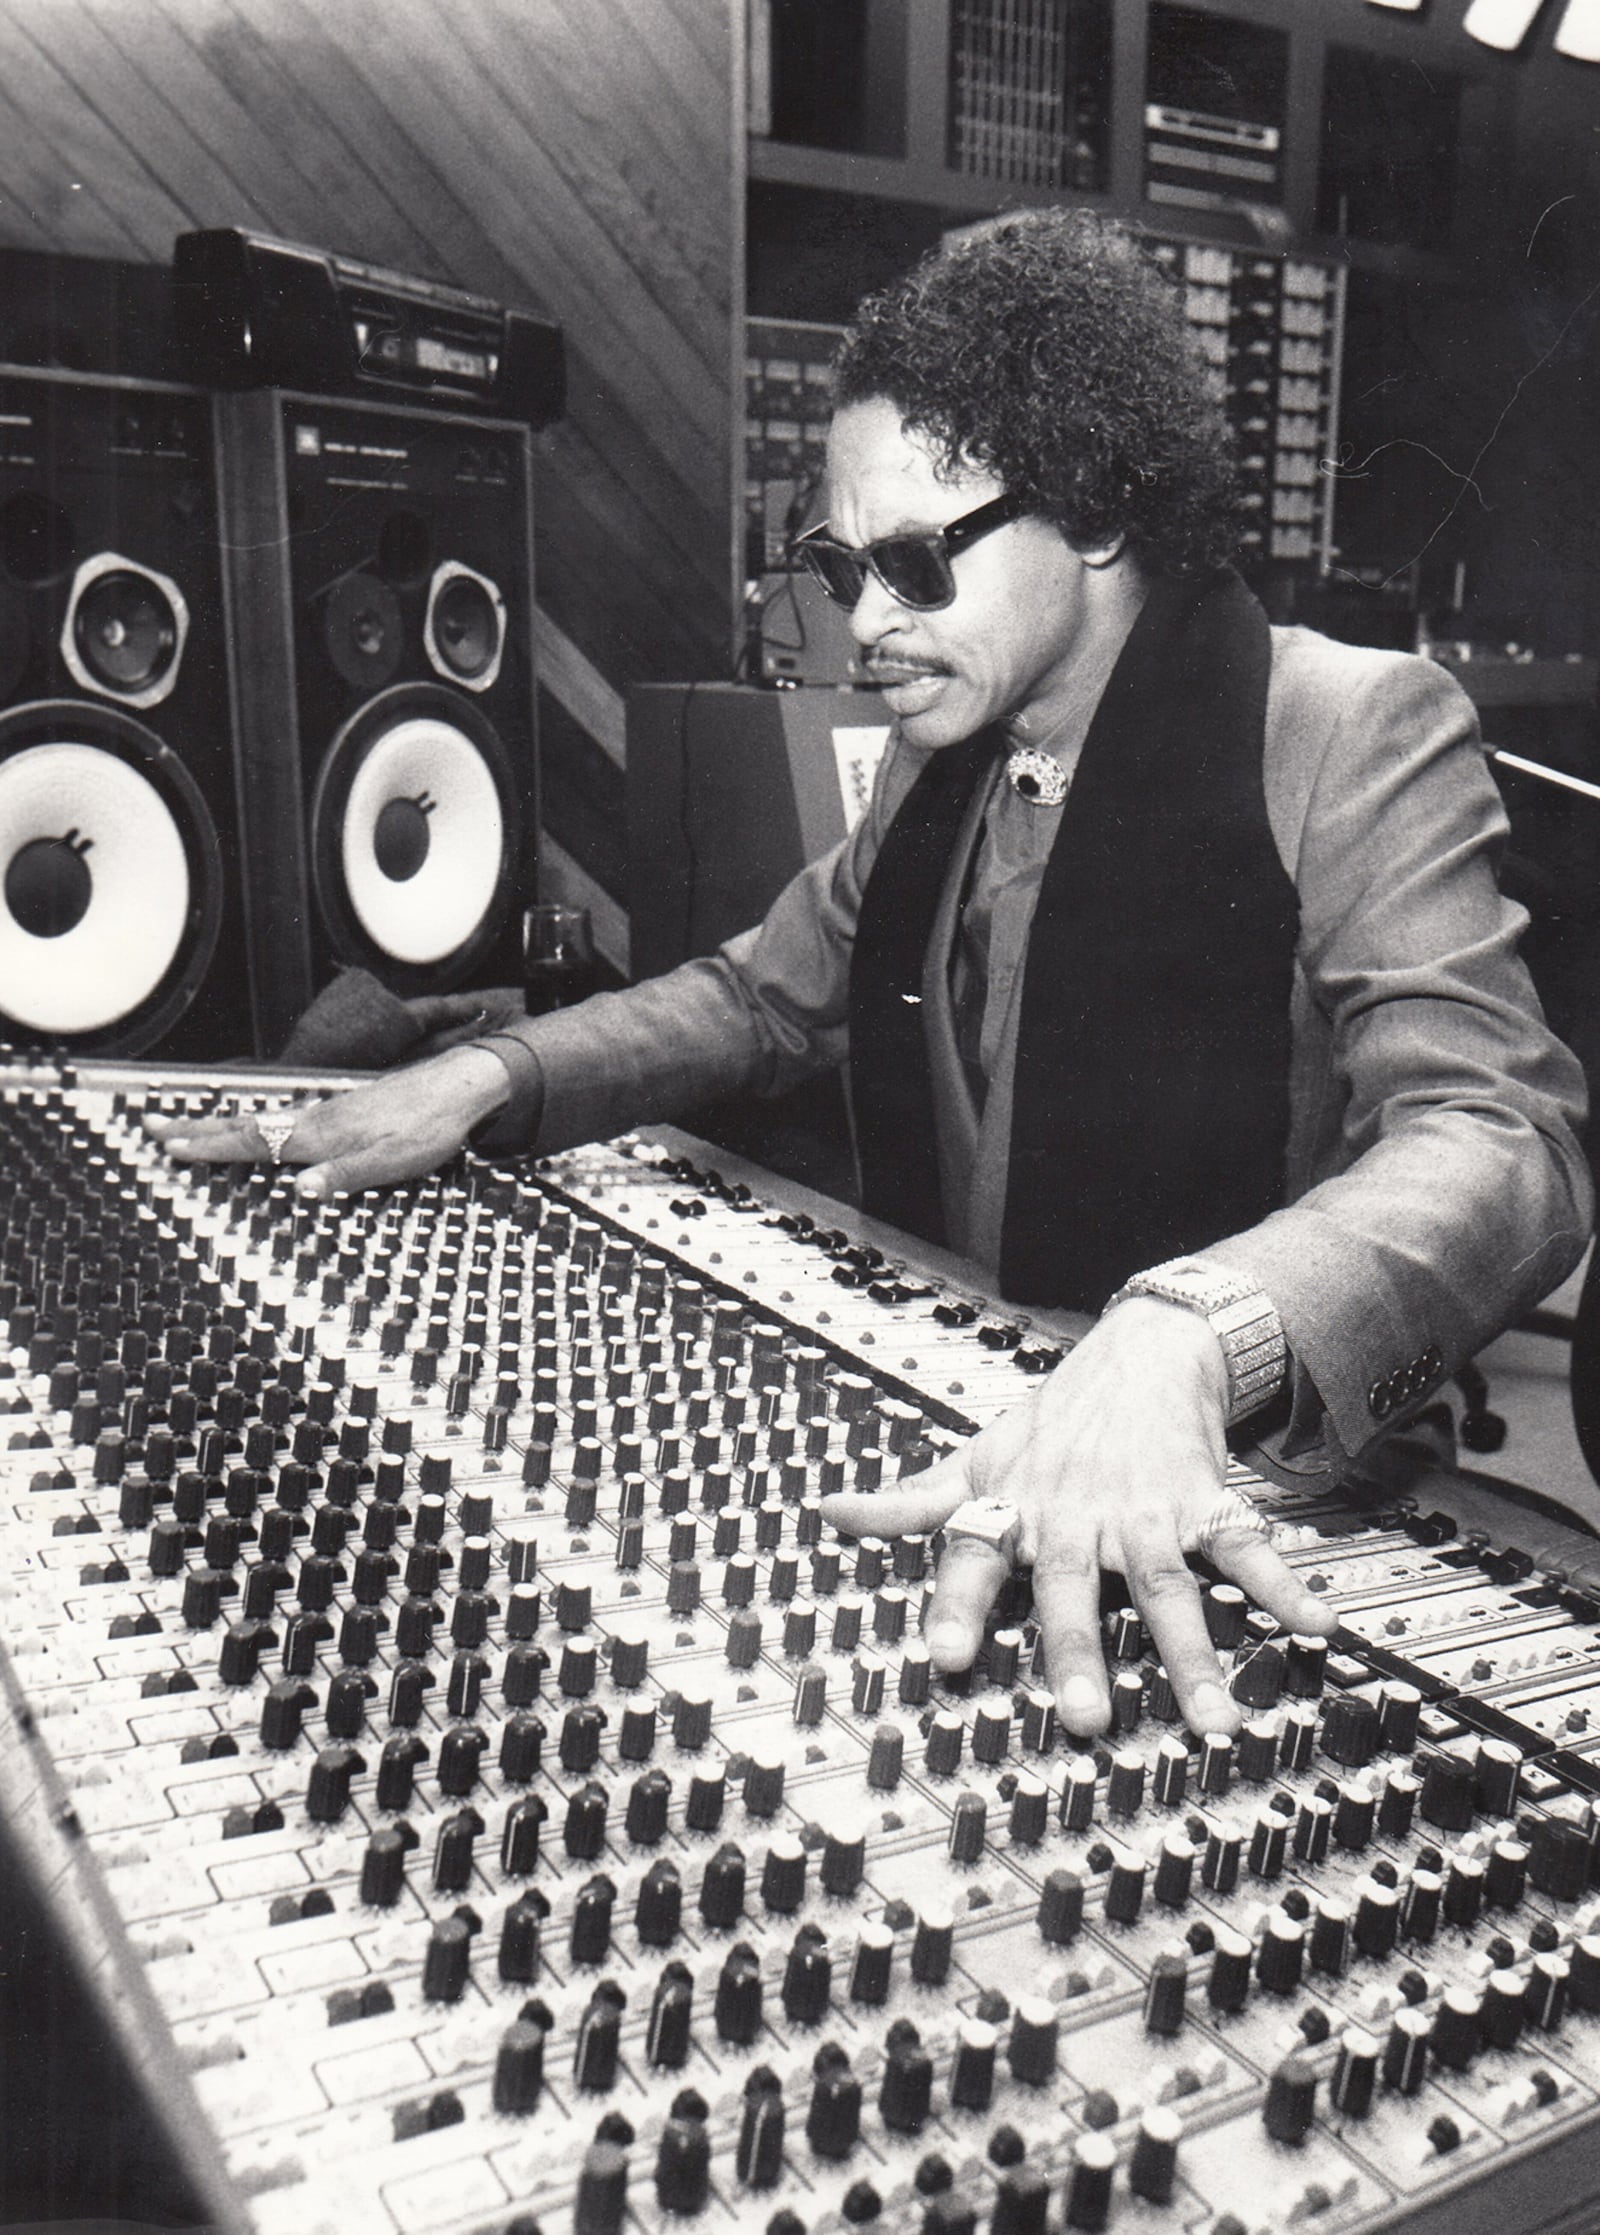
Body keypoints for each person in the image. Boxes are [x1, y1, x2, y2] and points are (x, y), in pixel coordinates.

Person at [149, 209, 1591, 1743]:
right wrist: (493, 1074)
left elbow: (1503, 1137)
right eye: (843, 565)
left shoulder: (1345, 724)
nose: (866, 624)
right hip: (977, 1409)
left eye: (914, 562)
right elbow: (764, 994)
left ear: (1097, 511)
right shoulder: (945, 749)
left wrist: (1190, 1333)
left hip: (1257, 1470)